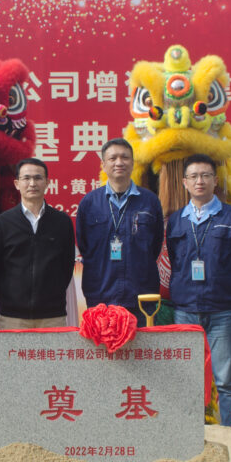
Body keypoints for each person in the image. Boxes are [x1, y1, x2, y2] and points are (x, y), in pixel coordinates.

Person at [167, 154, 231, 427]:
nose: (199, 181)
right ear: (184, 183)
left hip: (222, 310)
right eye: (194, 176)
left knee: (226, 379)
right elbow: (175, 260)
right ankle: (189, 436)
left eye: (205, 176)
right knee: (188, 379)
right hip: (185, 311)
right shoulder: (177, 220)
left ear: (215, 180)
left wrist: (225, 289)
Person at [76, 138, 164, 325]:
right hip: (101, 296)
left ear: (132, 163)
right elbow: (84, 246)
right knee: (103, 353)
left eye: (124, 157)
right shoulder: (89, 203)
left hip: (141, 297)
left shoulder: (149, 201)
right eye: (112, 158)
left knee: (141, 353)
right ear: (103, 164)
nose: (119, 162)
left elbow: (154, 246)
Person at [0, 158, 75, 328]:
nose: (32, 183)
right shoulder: (2, 223)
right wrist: (11, 298)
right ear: (17, 183)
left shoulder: (62, 222)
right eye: (26, 178)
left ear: (47, 183)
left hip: (52, 316)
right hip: (13, 317)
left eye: (38, 178)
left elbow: (66, 267)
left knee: (51, 356)